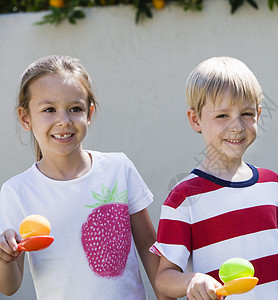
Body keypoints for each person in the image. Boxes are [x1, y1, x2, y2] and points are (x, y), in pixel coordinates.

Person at [150, 56, 278, 300]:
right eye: (222, 115)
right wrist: (193, 281)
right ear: (195, 119)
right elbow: (164, 278)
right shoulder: (183, 197)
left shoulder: (273, 183)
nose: (237, 126)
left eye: (246, 113)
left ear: (259, 114)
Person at [0, 55, 170, 299]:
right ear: (25, 118)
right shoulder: (16, 191)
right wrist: (5, 257)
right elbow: (9, 287)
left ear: (89, 113)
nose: (63, 120)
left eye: (75, 109)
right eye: (49, 109)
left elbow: (149, 249)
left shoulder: (118, 168)